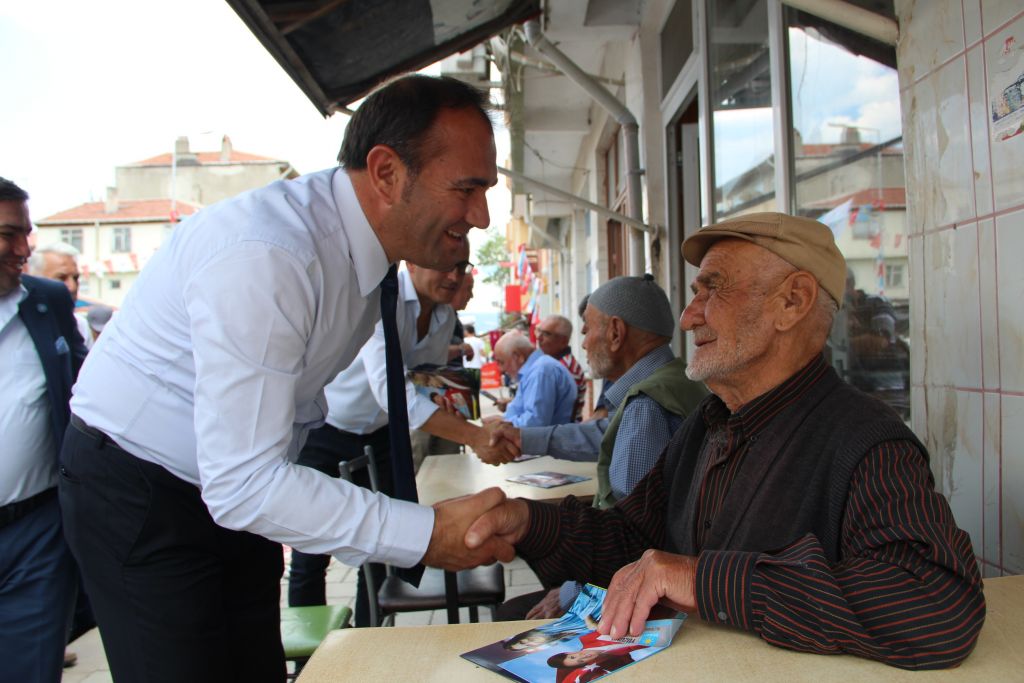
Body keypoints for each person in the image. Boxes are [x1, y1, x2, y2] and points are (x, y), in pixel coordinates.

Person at [58, 75, 516, 682]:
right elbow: (243, 481)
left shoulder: (363, 250)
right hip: (139, 487)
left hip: (230, 485)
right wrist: (424, 533)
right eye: (467, 189)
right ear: (385, 173)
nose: (480, 218)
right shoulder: (270, 254)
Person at [464, 212, 985, 670]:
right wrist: (531, 523)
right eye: (695, 294)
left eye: (713, 289)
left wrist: (703, 580)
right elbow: (632, 540)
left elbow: (936, 602)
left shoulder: (866, 441)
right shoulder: (709, 422)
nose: (690, 318)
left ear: (793, 301)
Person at [289, 261, 513, 624]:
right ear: (414, 257)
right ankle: (311, 656)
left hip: (380, 436)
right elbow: (393, 393)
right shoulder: (383, 298)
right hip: (326, 429)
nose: (453, 275)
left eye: (462, 266)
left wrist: (478, 423)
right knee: (308, 554)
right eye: (445, 263)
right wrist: (475, 436)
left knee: (379, 549)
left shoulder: (442, 317)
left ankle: (366, 636)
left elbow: (427, 385)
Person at [488, 275, 707, 620]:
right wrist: (524, 438)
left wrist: (574, 591)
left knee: (508, 618)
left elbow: (634, 539)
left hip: (641, 592)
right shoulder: (677, 379)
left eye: (588, 330)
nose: (584, 344)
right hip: (670, 576)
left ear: (616, 333)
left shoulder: (646, 406)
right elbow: (605, 433)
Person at [0, 177, 89, 682]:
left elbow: (86, 394)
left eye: (27, 233)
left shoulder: (47, 302)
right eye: (9, 234)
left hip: (35, 532)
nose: (23, 249)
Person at [490, 331, 577, 429]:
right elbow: (517, 409)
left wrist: (502, 424)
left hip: (547, 441)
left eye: (501, 362)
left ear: (518, 357)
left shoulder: (541, 371)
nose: (501, 369)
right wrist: (502, 421)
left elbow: (535, 423)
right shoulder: (533, 370)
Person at [27, 241, 92, 349]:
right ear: (35, 278)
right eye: (61, 278)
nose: (72, 287)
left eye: (75, 278)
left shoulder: (81, 326)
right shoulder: (16, 324)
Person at [535, 314, 586, 422]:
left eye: (546, 334)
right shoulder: (553, 364)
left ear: (563, 341)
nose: (539, 337)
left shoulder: (565, 367)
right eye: (539, 331)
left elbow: (544, 412)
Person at [446, 268, 476, 367]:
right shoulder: (437, 317)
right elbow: (427, 354)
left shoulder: (452, 316)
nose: (471, 295)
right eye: (468, 289)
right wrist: (461, 349)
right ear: (453, 289)